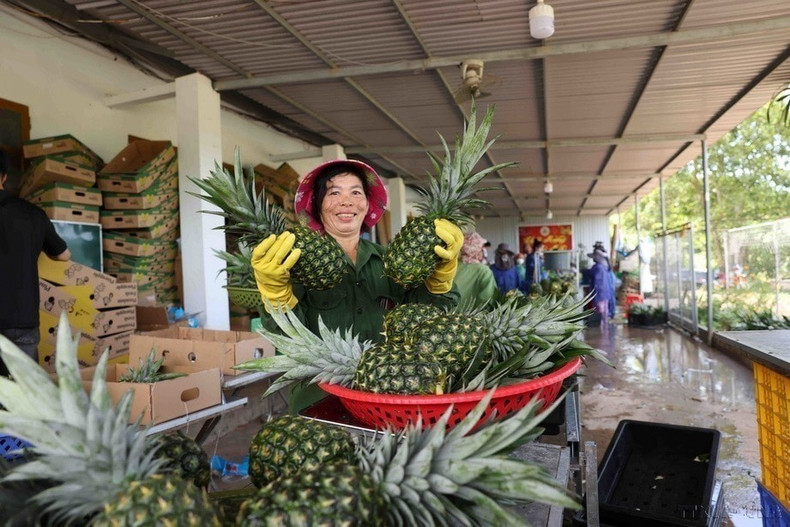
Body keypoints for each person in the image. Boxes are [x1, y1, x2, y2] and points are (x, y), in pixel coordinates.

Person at [251, 159, 461, 411]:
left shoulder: (394, 260)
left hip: (394, 394)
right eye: (334, 192)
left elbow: (435, 322)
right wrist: (276, 296)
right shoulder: (291, 264)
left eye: (356, 192)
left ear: (367, 204)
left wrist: (439, 282)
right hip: (320, 401)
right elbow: (286, 346)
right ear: (317, 205)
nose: (346, 201)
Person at [0, 150, 70, 375]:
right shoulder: (32, 214)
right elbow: (63, 255)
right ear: (4, 177)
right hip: (22, 320)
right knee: (27, 394)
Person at [455, 231, 498, 308]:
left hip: (448, 315)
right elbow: (489, 301)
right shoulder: (484, 271)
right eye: (481, 247)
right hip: (472, 318)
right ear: (476, 249)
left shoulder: (452, 267)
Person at [588, 248, 613, 329]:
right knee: (605, 311)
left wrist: (584, 271)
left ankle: (600, 328)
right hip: (605, 292)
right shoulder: (604, 267)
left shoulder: (597, 267)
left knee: (600, 310)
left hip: (599, 293)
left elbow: (594, 278)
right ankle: (605, 327)